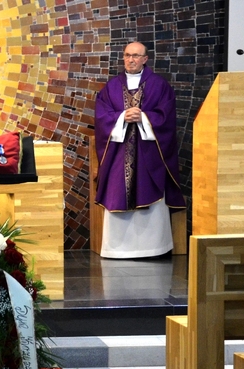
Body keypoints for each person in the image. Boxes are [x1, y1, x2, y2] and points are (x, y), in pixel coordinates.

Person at [94, 42, 186, 259]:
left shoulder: (159, 85)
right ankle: (116, 250)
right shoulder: (111, 87)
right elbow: (101, 116)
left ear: (145, 59)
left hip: (148, 153)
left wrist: (144, 117)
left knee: (149, 188)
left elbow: (167, 116)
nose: (131, 60)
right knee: (117, 191)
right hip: (119, 153)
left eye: (136, 56)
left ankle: (154, 247)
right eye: (127, 55)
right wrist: (121, 117)